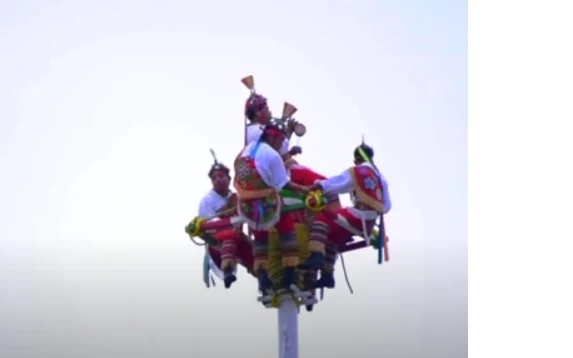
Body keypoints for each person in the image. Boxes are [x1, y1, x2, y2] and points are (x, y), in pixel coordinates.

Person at [298, 142, 392, 288]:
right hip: (369, 224)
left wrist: (318, 185)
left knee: (322, 218)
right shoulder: (381, 177)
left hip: (358, 216)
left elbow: (338, 184)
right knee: (333, 237)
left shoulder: (358, 171)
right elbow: (387, 206)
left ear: (356, 159)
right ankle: (327, 275)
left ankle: (316, 256)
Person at [233, 119, 310, 293]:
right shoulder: (273, 156)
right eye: (282, 140)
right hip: (266, 206)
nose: (282, 144)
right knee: (286, 226)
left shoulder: (246, 150)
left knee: (260, 234)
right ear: (275, 138)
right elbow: (284, 184)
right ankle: (289, 275)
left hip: (246, 206)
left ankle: (262, 277)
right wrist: (304, 190)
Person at [198, 153, 253, 289]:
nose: (217, 180)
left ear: (228, 179)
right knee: (229, 235)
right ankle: (227, 271)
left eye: (221, 176)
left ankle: (266, 283)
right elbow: (206, 222)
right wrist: (226, 221)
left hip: (238, 237)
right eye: (214, 178)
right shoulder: (207, 200)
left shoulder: (238, 197)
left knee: (258, 254)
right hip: (217, 242)